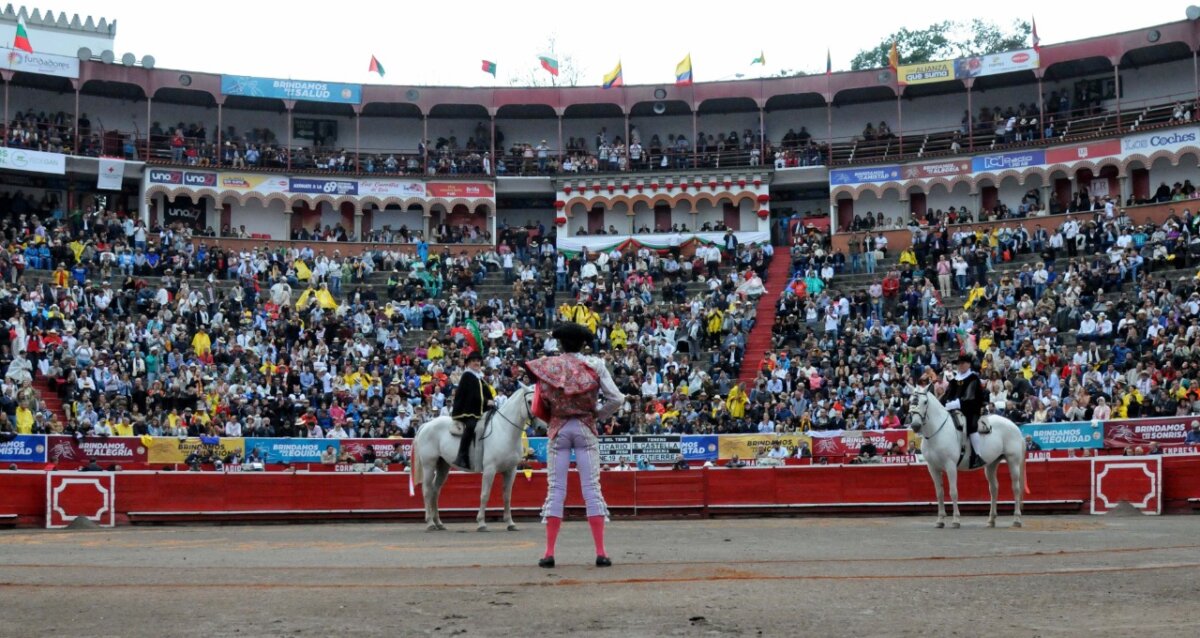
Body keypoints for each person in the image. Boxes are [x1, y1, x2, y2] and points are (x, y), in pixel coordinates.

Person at [525, 322, 624, 569]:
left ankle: (549, 554)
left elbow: (539, 403)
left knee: (556, 489)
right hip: (585, 427)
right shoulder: (596, 365)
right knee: (591, 487)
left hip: (558, 428)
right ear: (584, 344)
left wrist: (553, 416)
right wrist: (598, 415)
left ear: (560, 344)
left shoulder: (549, 366)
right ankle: (601, 553)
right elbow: (617, 398)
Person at [452, 351, 495, 470]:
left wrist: (492, 402)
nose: (476, 363)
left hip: (479, 410)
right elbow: (473, 394)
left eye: (478, 361)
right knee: (471, 426)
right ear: (468, 363)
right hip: (468, 409)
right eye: (473, 361)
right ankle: (461, 456)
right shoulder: (468, 375)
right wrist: (486, 402)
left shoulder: (479, 377)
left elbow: (485, 393)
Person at [942, 354, 987, 469]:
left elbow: (970, 397)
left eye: (963, 363)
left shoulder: (973, 378)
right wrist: (943, 404)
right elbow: (948, 394)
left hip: (971, 408)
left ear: (969, 364)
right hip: (954, 409)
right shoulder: (955, 379)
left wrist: (955, 404)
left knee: (971, 426)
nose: (960, 365)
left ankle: (978, 455)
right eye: (959, 364)